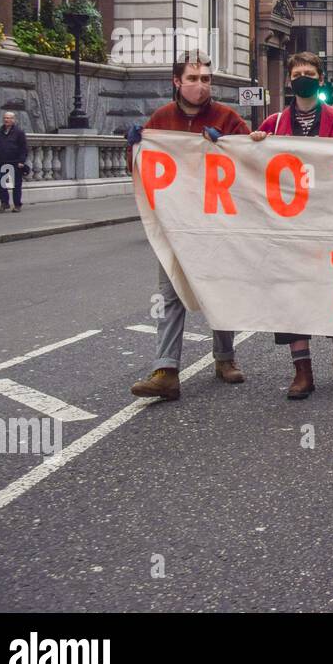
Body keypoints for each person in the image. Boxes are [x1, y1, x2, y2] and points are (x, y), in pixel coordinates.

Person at [129, 51, 248, 401]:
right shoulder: (161, 120)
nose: (200, 85)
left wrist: (230, 147)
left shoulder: (228, 118)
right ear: (177, 82)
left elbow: (254, 164)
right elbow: (142, 172)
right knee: (170, 295)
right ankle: (166, 370)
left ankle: (225, 358)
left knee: (219, 289)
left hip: (218, 224)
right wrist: (135, 147)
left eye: (206, 79)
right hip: (177, 226)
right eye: (193, 79)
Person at [250, 52, 333, 400]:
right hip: (288, 225)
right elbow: (253, 163)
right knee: (291, 294)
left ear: (320, 78)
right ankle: (302, 371)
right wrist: (250, 146)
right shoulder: (274, 124)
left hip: (328, 221)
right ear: (289, 80)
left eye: (309, 72)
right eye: (297, 73)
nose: (303, 77)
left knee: (328, 290)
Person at [0, 111, 28, 212]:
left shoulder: (19, 132)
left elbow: (24, 148)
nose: (6, 120)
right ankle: (4, 203)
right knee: (1, 184)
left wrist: (21, 161)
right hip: (2, 162)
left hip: (15, 162)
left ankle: (17, 204)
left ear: (13, 120)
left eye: (9, 118)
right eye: (5, 118)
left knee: (16, 185)